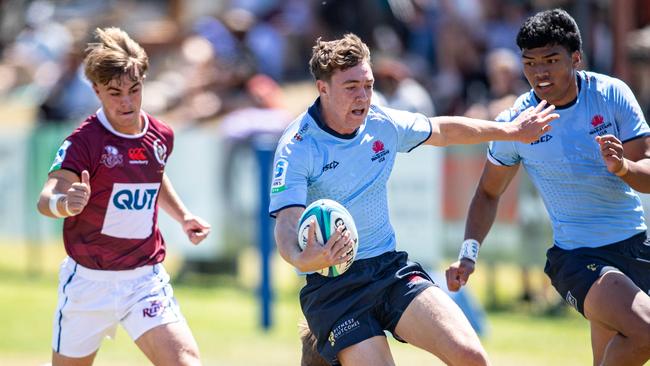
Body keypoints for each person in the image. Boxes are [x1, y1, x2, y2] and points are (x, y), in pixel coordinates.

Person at [269, 33, 557, 366]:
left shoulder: (382, 123)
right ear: (323, 89)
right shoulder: (298, 146)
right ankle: (320, 340)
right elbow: (288, 222)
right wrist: (303, 260)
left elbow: (444, 130)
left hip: (389, 270)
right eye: (351, 87)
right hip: (335, 288)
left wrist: (510, 131)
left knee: (472, 357)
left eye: (368, 85)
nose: (363, 96)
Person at [445, 9, 650, 366]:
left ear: (576, 58)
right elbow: (488, 193)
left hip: (636, 246)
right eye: (530, 62)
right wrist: (468, 253)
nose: (539, 72)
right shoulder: (516, 123)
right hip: (578, 259)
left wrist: (623, 167)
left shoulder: (611, 94)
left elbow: (646, 172)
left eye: (551, 60)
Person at [36, 27, 211, 366]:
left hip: (143, 279)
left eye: (134, 89)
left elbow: (154, 176)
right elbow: (47, 198)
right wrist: (64, 203)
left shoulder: (161, 136)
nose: (127, 101)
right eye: (115, 92)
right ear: (97, 90)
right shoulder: (85, 141)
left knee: (185, 361)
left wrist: (184, 216)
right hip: (88, 282)